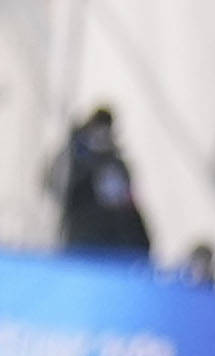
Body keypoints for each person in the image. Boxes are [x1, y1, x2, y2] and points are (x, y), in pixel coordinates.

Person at [48, 104, 152, 256]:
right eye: (98, 131)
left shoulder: (115, 165)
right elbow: (58, 188)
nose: (102, 136)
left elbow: (127, 203)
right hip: (83, 240)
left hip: (113, 244)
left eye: (105, 131)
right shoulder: (72, 160)